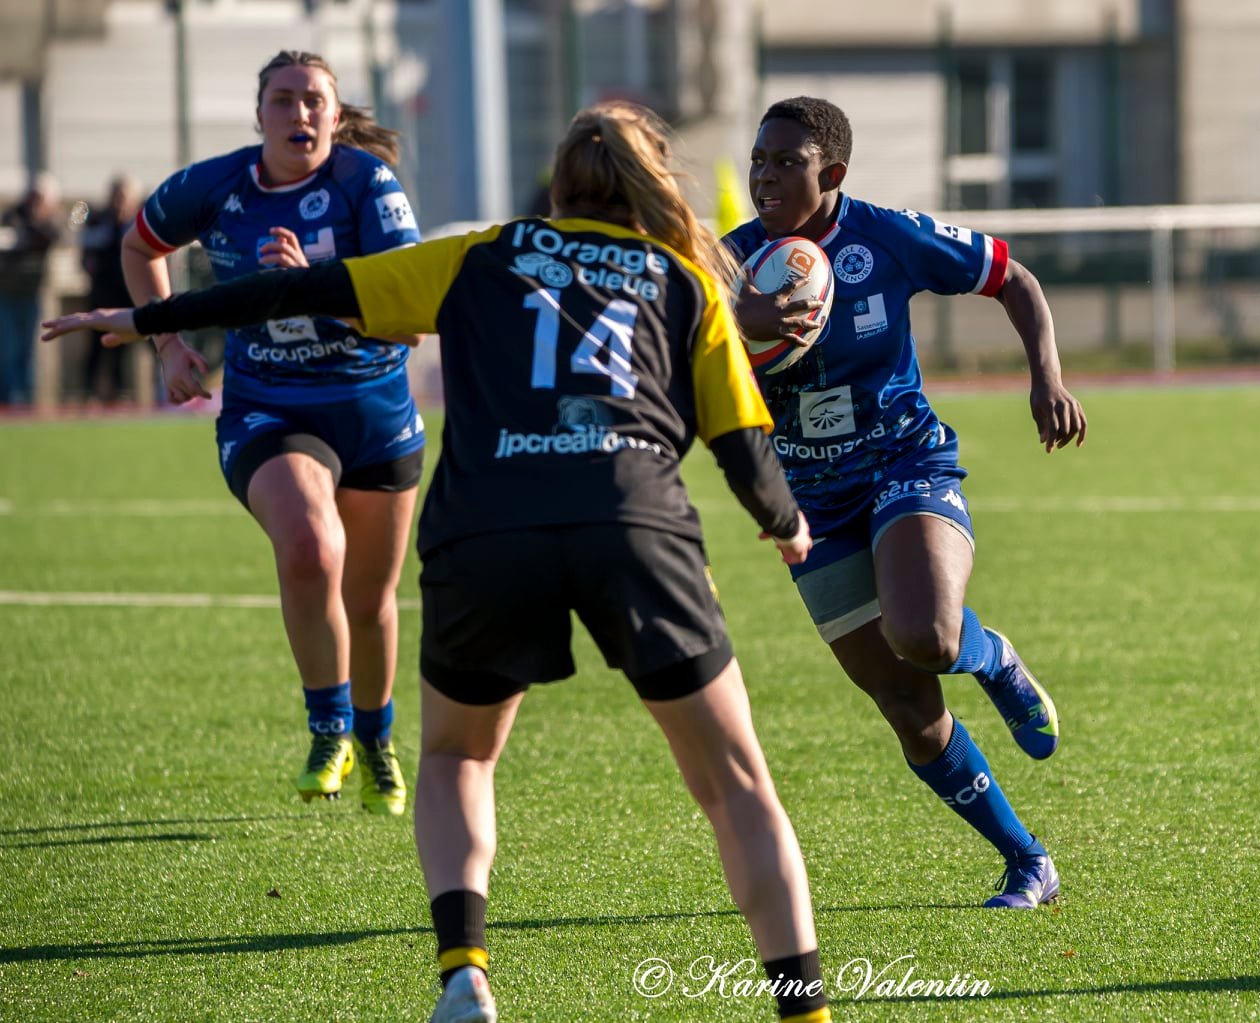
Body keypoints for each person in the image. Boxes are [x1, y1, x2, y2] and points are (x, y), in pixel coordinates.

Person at [45, 100, 833, 1023]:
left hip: (487, 525)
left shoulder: (478, 254)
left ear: (559, 178)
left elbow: (296, 293)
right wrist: (784, 522)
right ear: (652, 179)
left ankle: (465, 971)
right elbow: (744, 444)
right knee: (736, 782)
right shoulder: (683, 278)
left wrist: (154, 318)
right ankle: (805, 1009)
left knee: (459, 754)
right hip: (632, 522)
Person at [724, 97, 1087, 909]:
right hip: (809, 502)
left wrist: (1047, 378)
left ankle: (992, 656)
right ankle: (1028, 860)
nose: (765, 175)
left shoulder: (885, 236)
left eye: (786, 161)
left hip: (904, 463)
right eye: (759, 159)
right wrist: (727, 317)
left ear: (833, 174)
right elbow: (676, 352)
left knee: (925, 635)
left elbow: (1012, 278)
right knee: (909, 709)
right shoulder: (730, 265)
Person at [120, 50, 426, 814]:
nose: (301, 115)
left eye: (315, 101)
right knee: (310, 547)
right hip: (269, 405)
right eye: (284, 101)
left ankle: (377, 738)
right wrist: (168, 344)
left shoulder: (367, 185)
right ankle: (329, 730)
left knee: (371, 598)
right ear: (259, 115)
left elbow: (410, 315)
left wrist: (315, 289)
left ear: (335, 111)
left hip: (373, 410)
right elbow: (138, 245)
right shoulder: (215, 186)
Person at [0, 174, 63, 406]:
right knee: (8, 348)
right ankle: (9, 398)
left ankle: (27, 399)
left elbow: (54, 236)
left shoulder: (50, 221)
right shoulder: (14, 215)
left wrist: (34, 228)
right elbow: (10, 237)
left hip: (32, 293)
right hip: (7, 292)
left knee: (29, 349)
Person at [79, 175, 142, 403]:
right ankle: (89, 393)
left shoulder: (138, 223)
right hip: (102, 295)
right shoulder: (97, 220)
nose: (119, 202)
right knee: (95, 345)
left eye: (123, 197)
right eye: (116, 196)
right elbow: (85, 255)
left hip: (126, 295)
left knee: (122, 346)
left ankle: (120, 393)